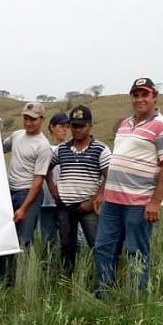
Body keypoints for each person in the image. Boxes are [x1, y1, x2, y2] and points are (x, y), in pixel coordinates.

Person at [95, 78, 163, 294]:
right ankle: (105, 293)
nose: (139, 99)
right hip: (112, 202)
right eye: (136, 95)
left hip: (139, 203)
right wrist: (103, 192)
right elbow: (116, 162)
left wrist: (156, 202)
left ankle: (134, 298)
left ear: (154, 97)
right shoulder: (125, 124)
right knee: (104, 248)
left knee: (136, 251)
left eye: (145, 95)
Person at [46, 105, 111, 277]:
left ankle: (104, 281)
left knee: (97, 245)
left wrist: (95, 200)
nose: (77, 129)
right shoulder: (62, 149)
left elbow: (109, 177)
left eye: (82, 125)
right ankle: (67, 282)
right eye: (74, 125)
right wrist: (53, 188)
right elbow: (47, 169)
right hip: (65, 206)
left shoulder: (101, 149)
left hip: (88, 207)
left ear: (90, 125)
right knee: (67, 246)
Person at [0, 102, 52, 283]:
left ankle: (21, 282)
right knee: (4, 238)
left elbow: (38, 180)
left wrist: (24, 208)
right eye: (25, 118)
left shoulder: (43, 146)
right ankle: (1, 282)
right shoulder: (17, 135)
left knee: (23, 241)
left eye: (32, 119)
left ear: (41, 120)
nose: (28, 123)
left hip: (28, 195)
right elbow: (0, 147)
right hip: (9, 193)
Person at [40, 113, 70, 252]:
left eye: (67, 127)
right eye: (62, 126)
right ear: (52, 127)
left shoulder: (71, 149)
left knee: (68, 239)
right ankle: (48, 270)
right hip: (46, 201)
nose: (65, 130)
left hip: (66, 201)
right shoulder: (43, 147)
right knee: (48, 240)